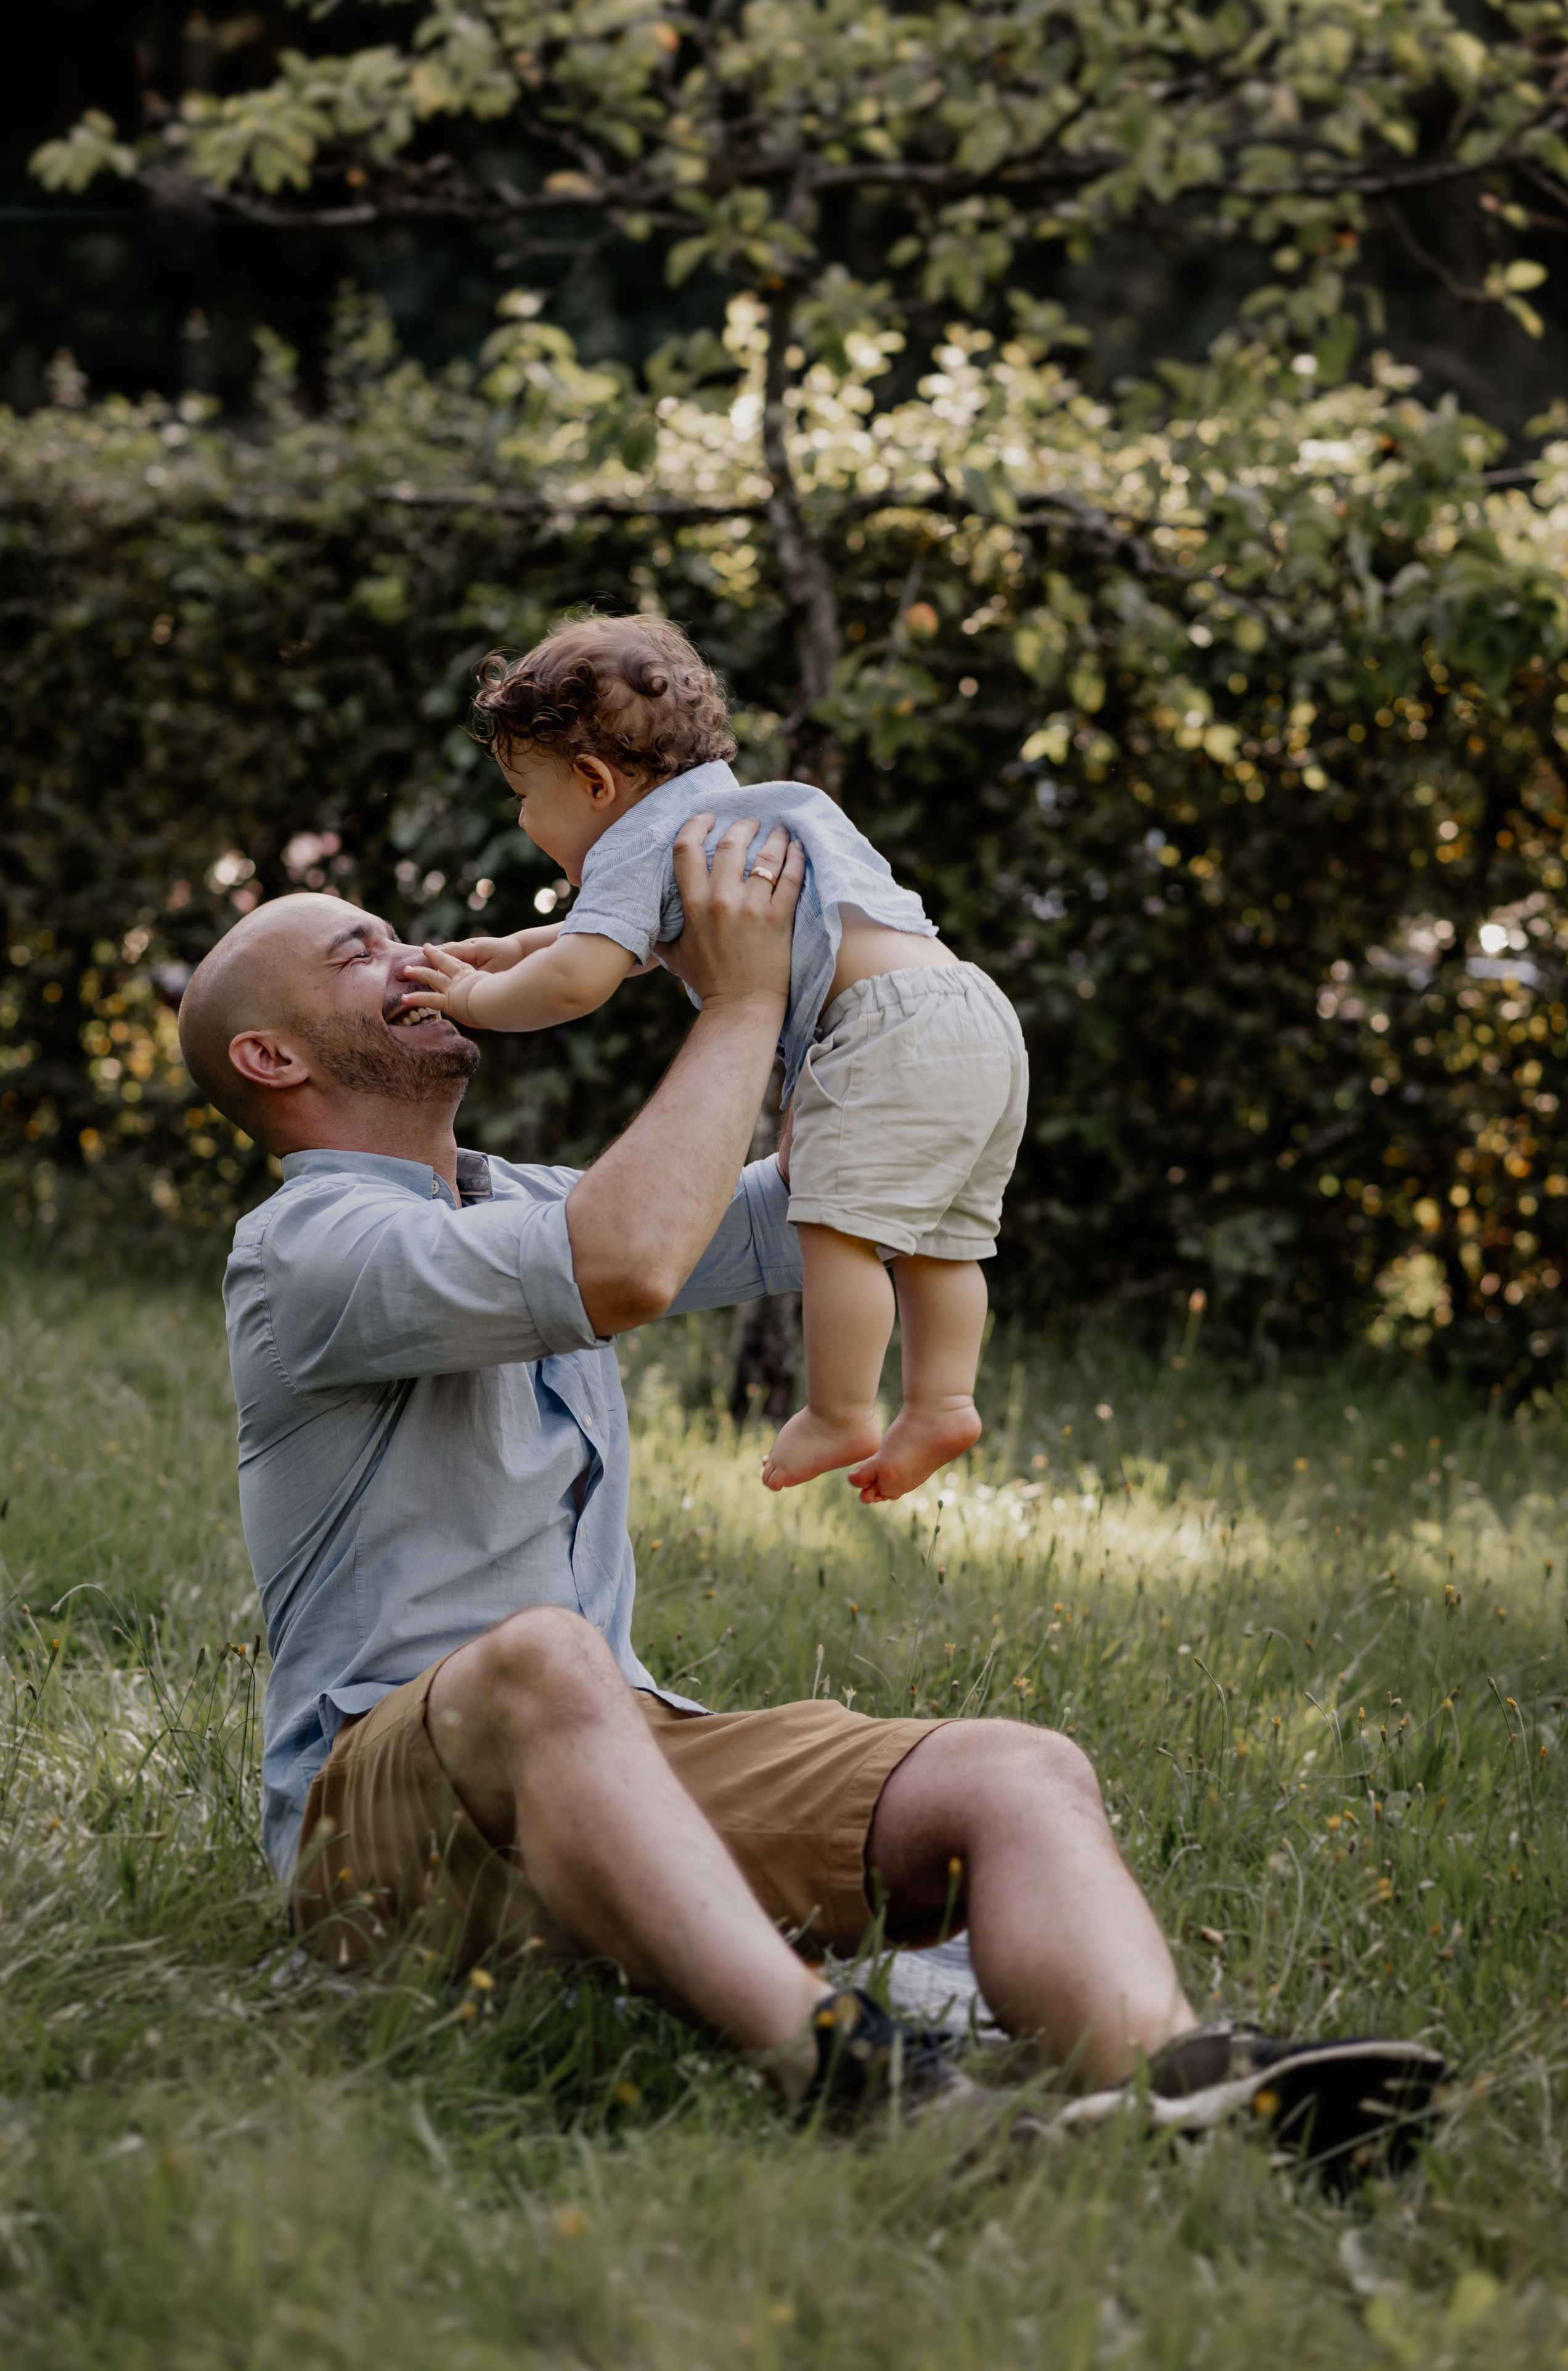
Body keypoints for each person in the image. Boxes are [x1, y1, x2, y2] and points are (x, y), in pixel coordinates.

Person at [176, 814, 1444, 2159]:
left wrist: (863, 996)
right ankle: (855, 2079)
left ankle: (1167, 2080)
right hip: (380, 1827)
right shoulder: (307, 1250)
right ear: (276, 1056)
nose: (413, 950)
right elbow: (623, 1264)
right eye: (360, 949)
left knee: (1013, 1771)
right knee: (542, 1657)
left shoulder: (516, 1199)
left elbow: (815, 1206)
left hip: (621, 1760)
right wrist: (736, 999)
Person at [399, 614, 1027, 1503]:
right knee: (942, 1241)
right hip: (970, 1011)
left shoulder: (633, 839)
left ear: (594, 780)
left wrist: (470, 1002)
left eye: (523, 794)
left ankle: (842, 1408)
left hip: (881, 1029)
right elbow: (600, 937)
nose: (524, 818)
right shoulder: (726, 806)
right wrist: (509, 948)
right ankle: (942, 1401)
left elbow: (581, 977)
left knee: (837, 1228)